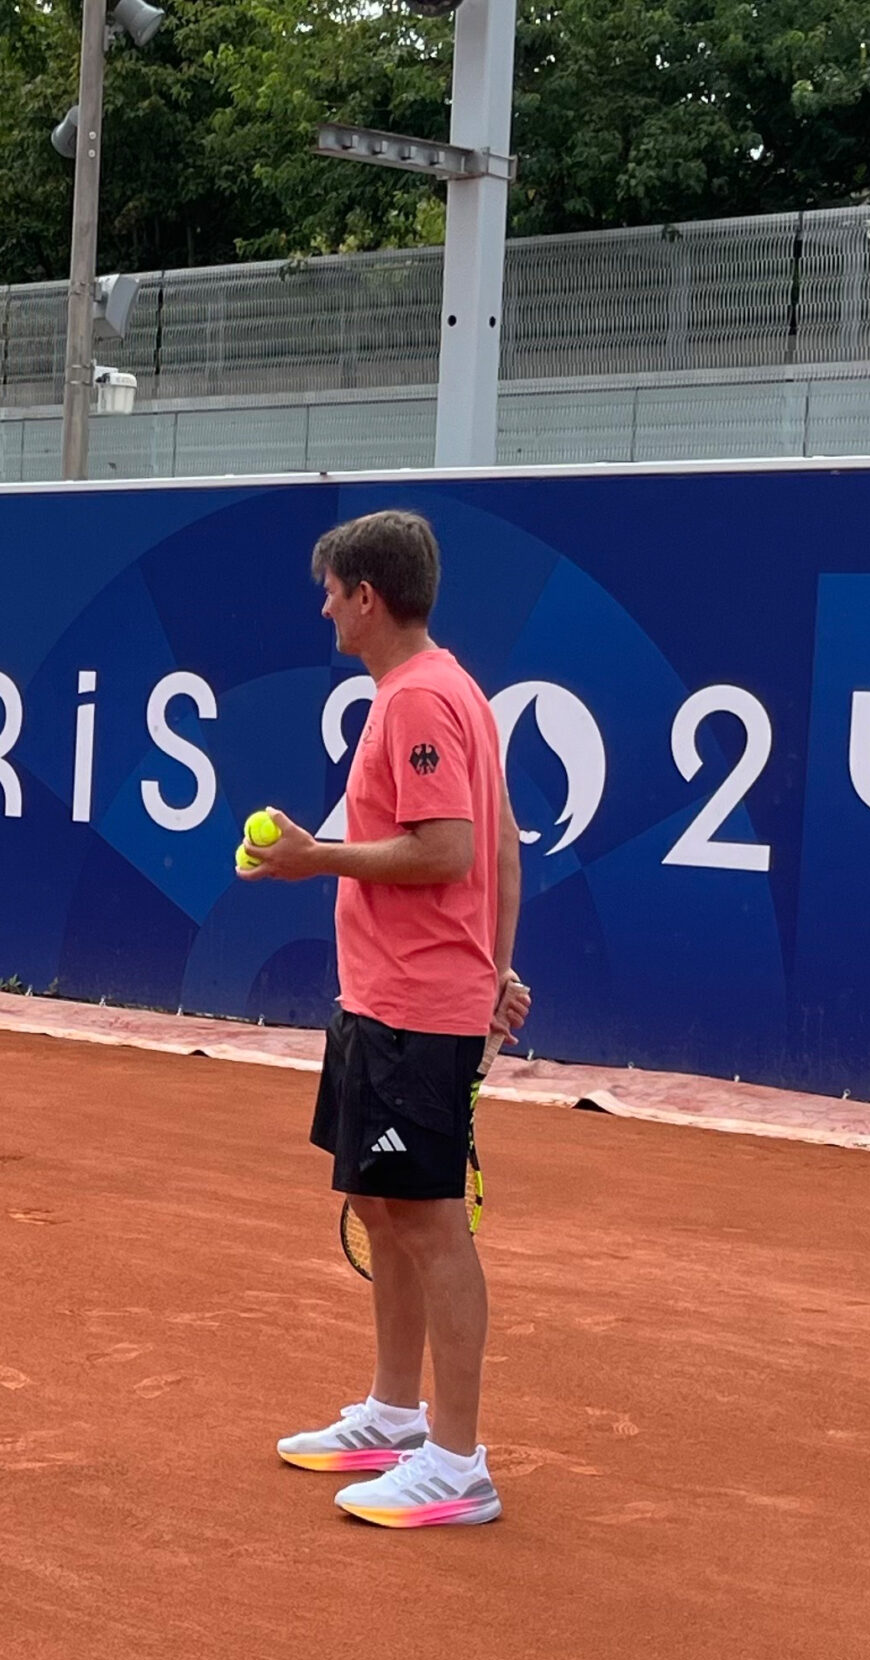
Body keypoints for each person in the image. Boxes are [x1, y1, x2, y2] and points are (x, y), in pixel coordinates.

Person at [238, 509, 531, 1528]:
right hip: (388, 995)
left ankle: (457, 1462)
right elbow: (500, 848)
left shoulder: (416, 700)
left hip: (413, 1001)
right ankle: (393, 1414)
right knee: (380, 1206)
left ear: (368, 597)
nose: (322, 606)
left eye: (331, 590)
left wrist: (317, 857)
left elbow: (450, 849)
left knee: (429, 1223)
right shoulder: (453, 691)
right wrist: (494, 972)